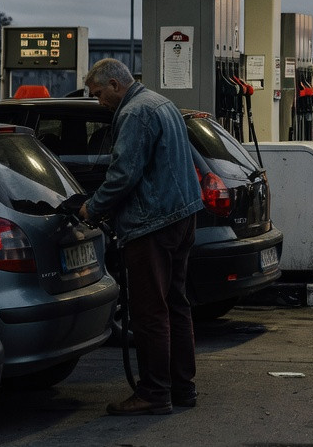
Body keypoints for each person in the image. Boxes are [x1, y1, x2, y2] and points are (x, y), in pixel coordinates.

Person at [78, 58, 202, 416]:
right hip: (182, 217)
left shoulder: (134, 114)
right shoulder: (162, 103)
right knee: (176, 304)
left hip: (152, 223)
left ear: (116, 85)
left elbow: (123, 175)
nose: (98, 101)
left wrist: (92, 208)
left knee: (150, 312)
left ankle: (154, 393)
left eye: (99, 94)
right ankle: (183, 388)